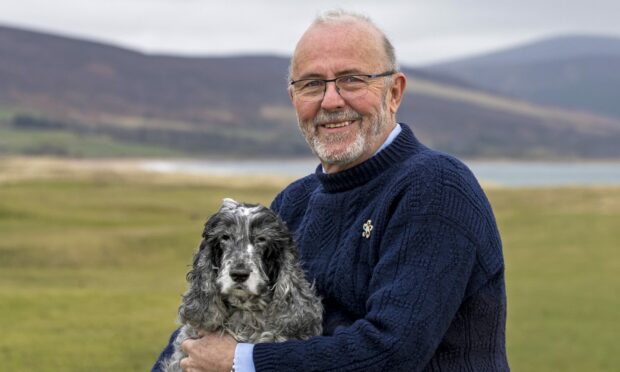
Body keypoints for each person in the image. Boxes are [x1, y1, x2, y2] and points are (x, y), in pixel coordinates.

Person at [154, 9, 509, 372]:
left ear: (394, 92)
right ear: (294, 99)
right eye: (311, 84)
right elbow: (206, 329)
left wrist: (240, 362)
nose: (331, 101)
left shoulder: (436, 186)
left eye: (351, 80)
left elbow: (392, 351)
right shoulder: (294, 202)